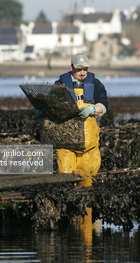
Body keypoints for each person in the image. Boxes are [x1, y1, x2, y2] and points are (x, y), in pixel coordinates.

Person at [54, 53, 108, 187]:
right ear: (71, 67)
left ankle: (87, 208)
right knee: (66, 178)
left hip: (89, 144)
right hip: (66, 142)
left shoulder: (95, 83)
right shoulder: (60, 84)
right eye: (79, 70)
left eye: (85, 69)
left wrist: (93, 109)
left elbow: (104, 103)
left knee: (88, 178)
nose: (83, 73)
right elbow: (53, 106)